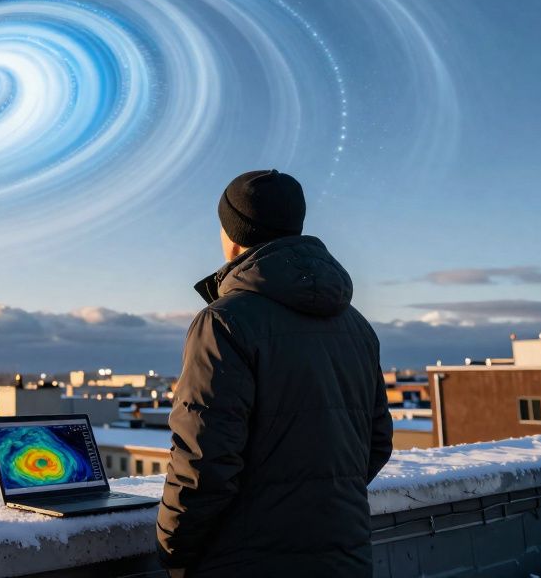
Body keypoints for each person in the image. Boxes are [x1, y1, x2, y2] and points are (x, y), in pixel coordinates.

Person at [156, 169, 393, 577]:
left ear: (232, 237)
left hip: (246, 560)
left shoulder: (223, 323)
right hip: (344, 556)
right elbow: (377, 442)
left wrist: (172, 550)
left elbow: (203, 461)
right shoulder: (356, 325)